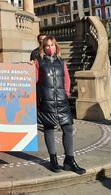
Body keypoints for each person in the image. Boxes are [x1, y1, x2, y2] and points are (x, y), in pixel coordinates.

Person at [34, 36, 85, 174]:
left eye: (52, 45)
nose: (50, 48)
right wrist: (28, 68)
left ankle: (70, 160)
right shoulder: (38, 62)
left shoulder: (61, 62)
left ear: (56, 47)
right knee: (49, 129)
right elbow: (34, 80)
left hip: (62, 102)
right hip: (47, 102)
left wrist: (66, 94)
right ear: (43, 48)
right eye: (47, 46)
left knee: (67, 128)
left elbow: (67, 79)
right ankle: (53, 160)